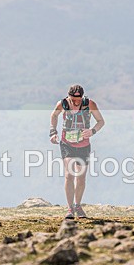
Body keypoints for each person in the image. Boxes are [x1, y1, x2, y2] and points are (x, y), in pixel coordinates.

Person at [49, 84, 105, 219]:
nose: (76, 102)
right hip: (67, 143)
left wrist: (92, 131)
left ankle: (77, 206)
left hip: (83, 144)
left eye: (79, 99)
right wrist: (53, 132)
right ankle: (69, 209)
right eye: (74, 99)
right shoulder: (62, 104)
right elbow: (54, 116)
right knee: (69, 174)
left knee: (80, 177)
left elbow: (101, 121)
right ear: (69, 96)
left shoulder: (89, 104)